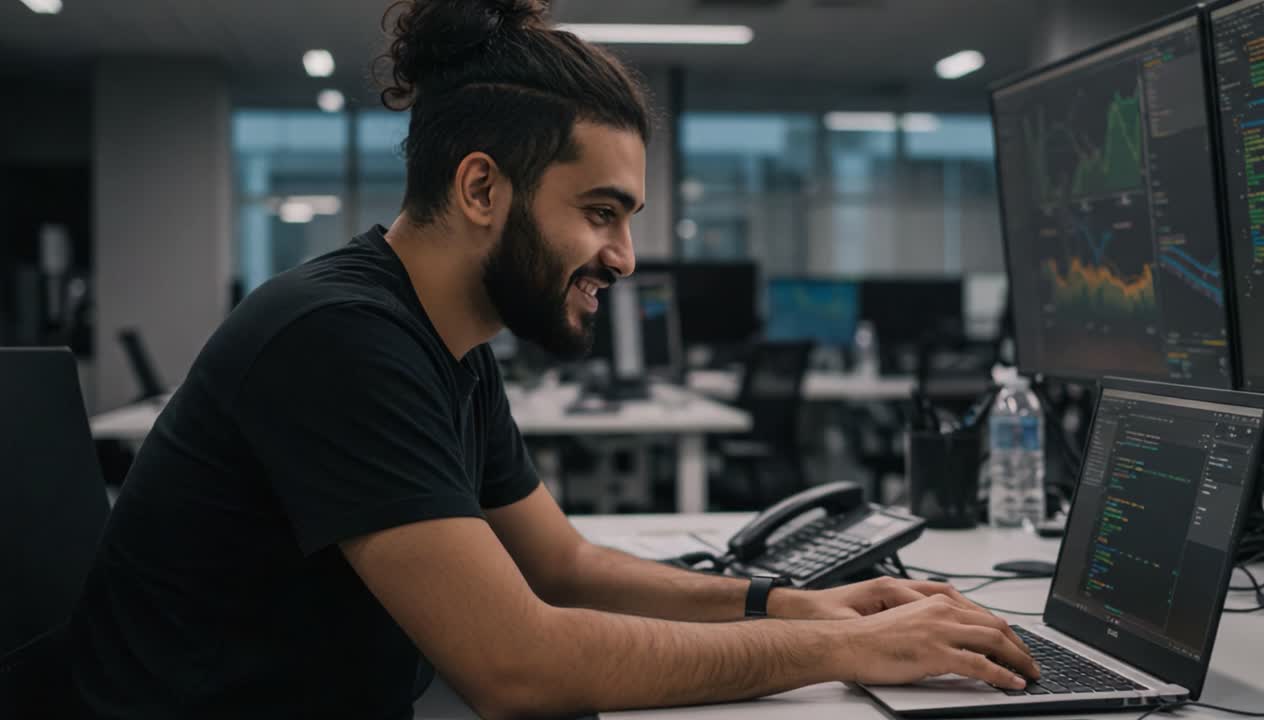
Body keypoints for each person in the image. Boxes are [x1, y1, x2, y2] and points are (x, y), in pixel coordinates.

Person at [69, 1, 1039, 717]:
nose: (621, 257)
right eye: (599, 213)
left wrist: (800, 604)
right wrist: (845, 648)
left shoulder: (445, 341)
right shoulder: (335, 339)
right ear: (482, 188)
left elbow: (562, 567)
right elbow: (518, 665)